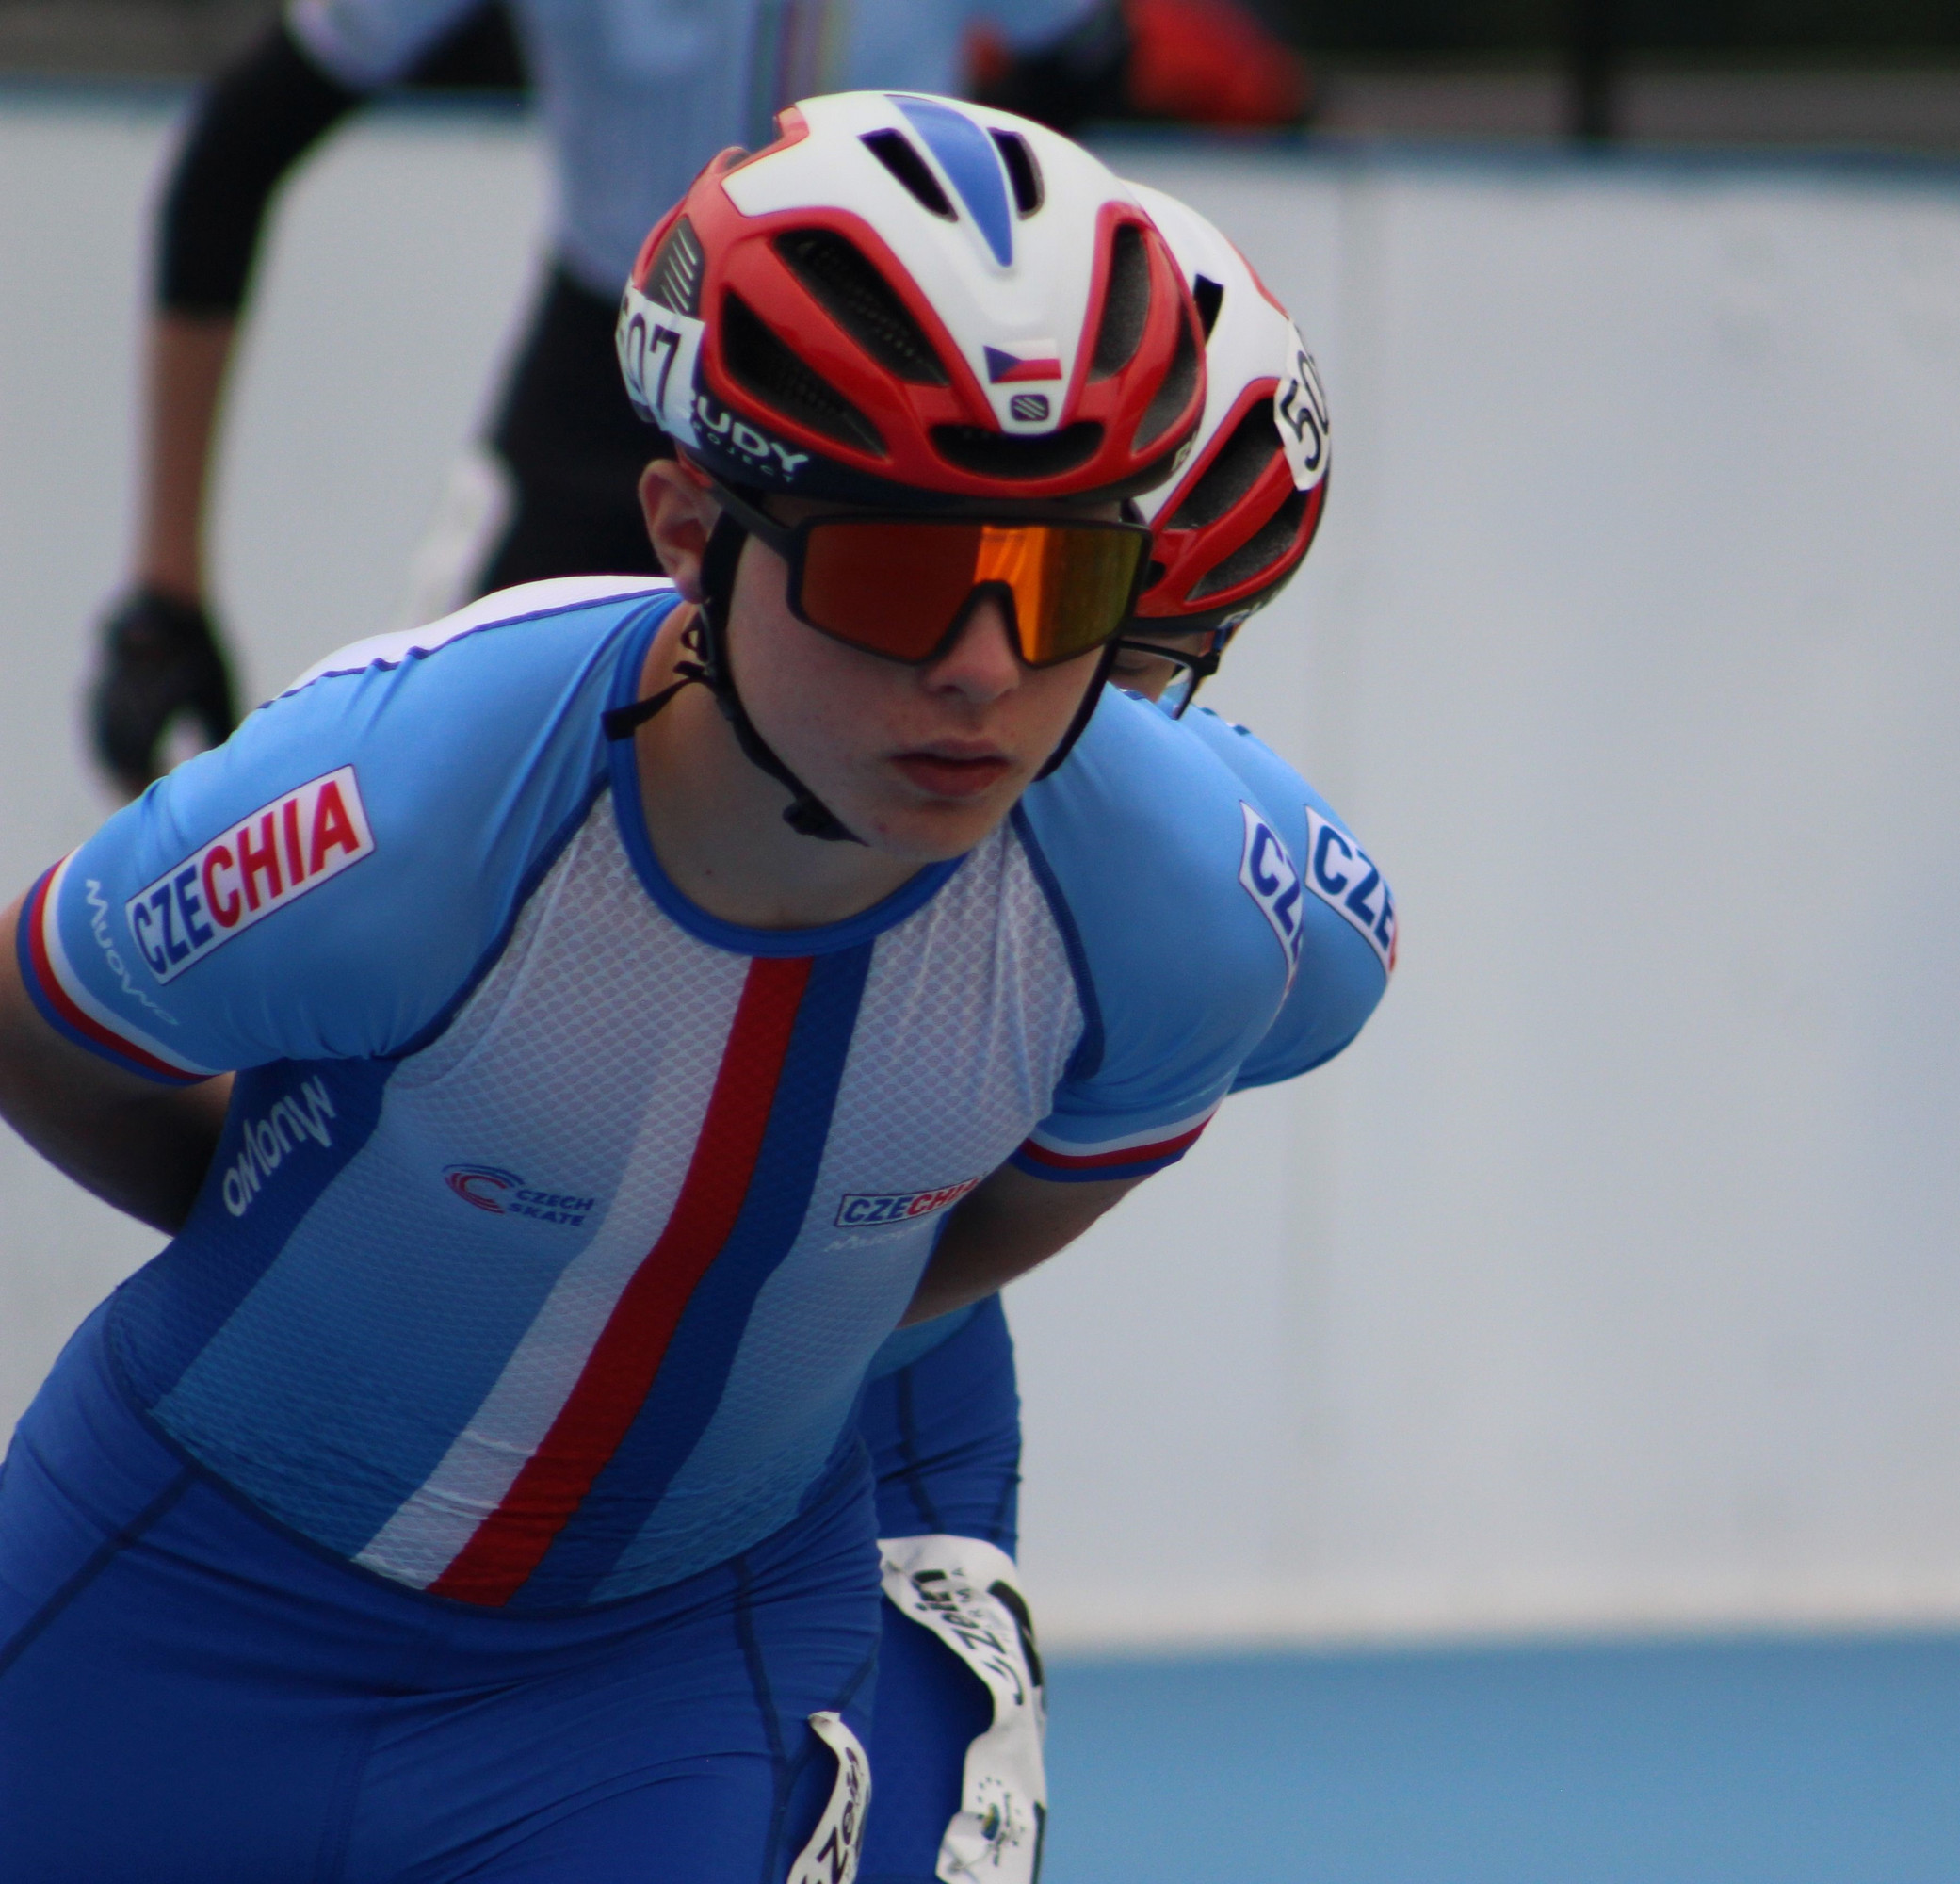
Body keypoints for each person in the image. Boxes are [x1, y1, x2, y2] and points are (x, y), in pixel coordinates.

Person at [0, 95, 1316, 1877]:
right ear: (689, 528)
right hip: (179, 1602)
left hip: (654, 1672)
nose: (981, 671)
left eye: (1068, 584)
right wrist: (300, 1216)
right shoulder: (404, 800)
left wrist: (767, 1291)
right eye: (895, 572)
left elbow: (962, 1250)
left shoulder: (1204, 905)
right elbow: (40, 1018)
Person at [88, 0, 1307, 796]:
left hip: (862, 407)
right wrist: (164, 583)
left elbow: (1084, 67)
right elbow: (236, 153)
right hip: (640, 388)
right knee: (422, 802)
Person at [852, 178, 1382, 1884]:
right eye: (929, 592)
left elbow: (1326, 942)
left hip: (877, 1396)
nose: (1003, 701)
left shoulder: (1205, 880)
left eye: (1126, 670)